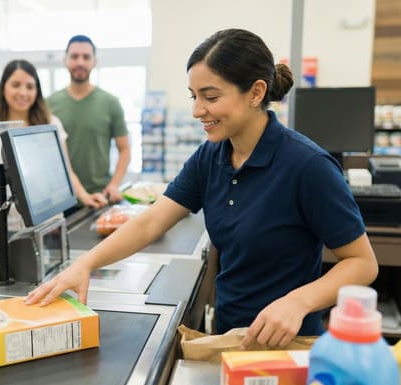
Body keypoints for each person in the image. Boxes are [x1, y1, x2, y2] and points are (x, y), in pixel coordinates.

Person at [25, 29, 378, 349]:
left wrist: (297, 302)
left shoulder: (307, 166)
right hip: (230, 338)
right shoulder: (212, 156)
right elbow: (151, 222)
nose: (197, 110)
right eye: (194, 96)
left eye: (209, 97)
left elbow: (362, 263)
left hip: (290, 342)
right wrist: (85, 264)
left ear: (256, 92)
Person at [0, 59, 107, 209]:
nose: (23, 92)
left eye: (30, 86)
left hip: (43, 218)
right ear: (3, 87)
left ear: (37, 91)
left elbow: (65, 171)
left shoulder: (51, 125)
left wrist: (85, 196)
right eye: (16, 85)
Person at [47, 34, 131, 204]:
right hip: (59, 199)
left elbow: (125, 149)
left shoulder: (110, 103)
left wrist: (114, 185)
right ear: (65, 60)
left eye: (86, 57)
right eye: (74, 56)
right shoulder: (48, 104)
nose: (80, 62)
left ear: (94, 61)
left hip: (99, 196)